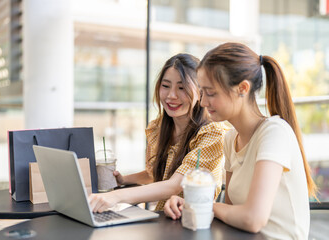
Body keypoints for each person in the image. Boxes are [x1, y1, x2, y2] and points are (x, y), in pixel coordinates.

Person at [164, 42, 317, 239]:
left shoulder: (274, 133)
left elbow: (253, 219)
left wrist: (201, 205)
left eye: (210, 93)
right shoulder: (230, 139)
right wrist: (188, 205)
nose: (202, 102)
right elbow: (231, 214)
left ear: (243, 88)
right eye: (202, 92)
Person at [89, 53, 226, 212]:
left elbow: (174, 185)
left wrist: (115, 197)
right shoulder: (157, 128)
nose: (171, 96)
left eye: (182, 88)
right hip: (162, 218)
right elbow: (155, 174)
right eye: (166, 86)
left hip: (193, 222)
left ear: (200, 91)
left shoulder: (212, 134)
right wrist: (122, 180)